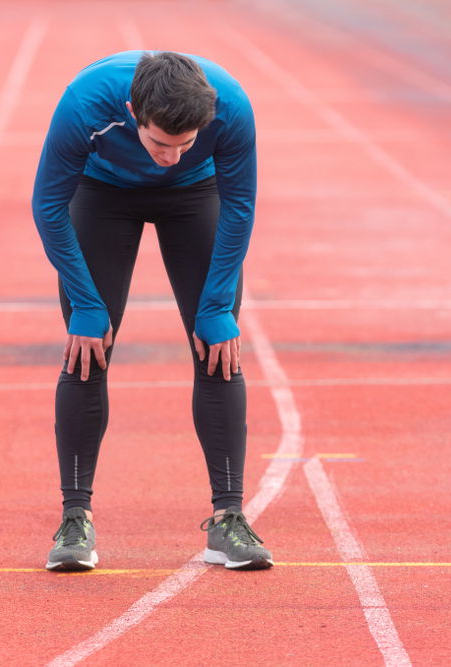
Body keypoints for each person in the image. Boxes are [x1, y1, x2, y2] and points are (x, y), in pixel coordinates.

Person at [32, 50, 273, 571]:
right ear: (132, 111)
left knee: (219, 346)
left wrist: (215, 307)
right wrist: (87, 304)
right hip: (103, 191)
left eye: (186, 143)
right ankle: (76, 520)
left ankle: (228, 520)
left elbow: (240, 206)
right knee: (86, 349)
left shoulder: (230, 106)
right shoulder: (85, 102)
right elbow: (47, 205)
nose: (171, 155)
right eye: (161, 143)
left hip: (195, 195)